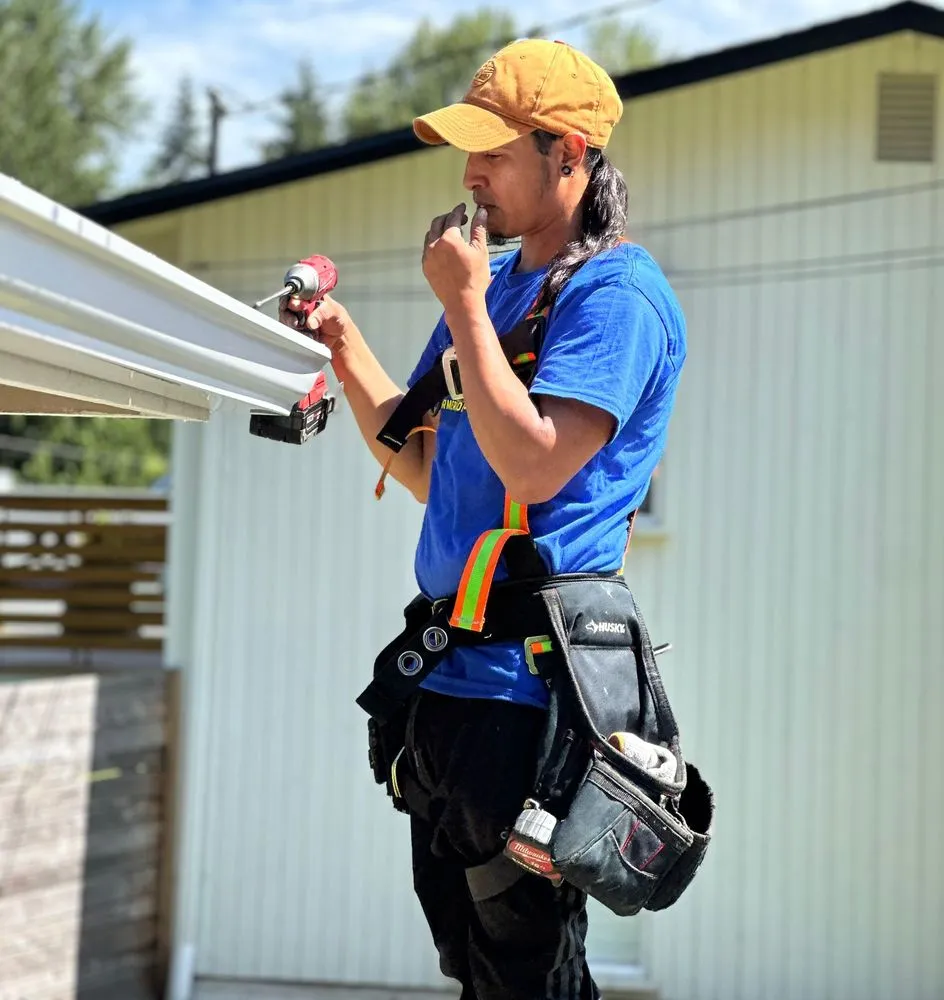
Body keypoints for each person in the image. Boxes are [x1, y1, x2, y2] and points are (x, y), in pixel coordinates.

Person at [281, 37, 687, 1000]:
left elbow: (535, 462)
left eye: (494, 154)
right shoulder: (497, 287)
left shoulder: (618, 296)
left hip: (531, 701)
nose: (470, 176)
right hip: (448, 684)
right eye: (469, 153)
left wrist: (464, 304)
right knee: (471, 967)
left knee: (528, 976)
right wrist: (343, 342)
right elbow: (424, 465)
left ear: (569, 155)